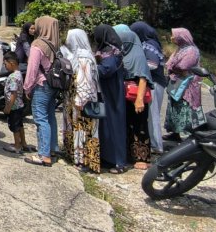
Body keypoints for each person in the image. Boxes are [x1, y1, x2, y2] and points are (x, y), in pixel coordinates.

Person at [61, 28, 101, 173]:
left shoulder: (84, 57)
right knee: (76, 129)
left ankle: (84, 160)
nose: (67, 41)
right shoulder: (74, 55)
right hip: (73, 99)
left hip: (82, 101)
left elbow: (86, 81)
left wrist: (81, 100)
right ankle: (75, 156)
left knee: (83, 130)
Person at [114, 24, 153, 170]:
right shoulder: (122, 53)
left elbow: (143, 78)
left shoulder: (137, 56)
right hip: (124, 96)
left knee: (139, 126)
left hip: (136, 96)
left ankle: (142, 157)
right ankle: (129, 154)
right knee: (127, 125)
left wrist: (139, 100)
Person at [23, 16, 61, 167]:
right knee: (50, 116)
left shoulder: (37, 44)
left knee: (40, 118)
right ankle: (52, 149)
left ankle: (43, 155)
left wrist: (27, 87)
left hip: (41, 84)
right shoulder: (54, 44)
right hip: (53, 85)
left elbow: (32, 69)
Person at [93, 25, 128, 174]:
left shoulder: (111, 51)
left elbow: (107, 69)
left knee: (114, 125)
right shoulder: (111, 49)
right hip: (108, 91)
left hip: (112, 92)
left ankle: (119, 162)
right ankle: (108, 158)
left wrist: (91, 67)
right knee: (106, 126)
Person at [130, 21, 167, 156]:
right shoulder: (148, 43)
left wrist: (137, 67)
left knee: (153, 114)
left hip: (154, 83)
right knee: (151, 115)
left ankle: (157, 145)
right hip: (154, 82)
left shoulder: (149, 45)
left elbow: (152, 64)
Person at [163, 28, 204, 139]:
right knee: (175, 107)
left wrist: (172, 66)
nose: (172, 38)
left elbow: (183, 66)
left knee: (185, 107)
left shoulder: (191, 50)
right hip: (177, 82)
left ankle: (189, 135)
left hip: (187, 85)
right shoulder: (180, 49)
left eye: (173, 35)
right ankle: (175, 133)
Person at [1, 51, 30, 154]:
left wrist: (8, 107)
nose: (5, 67)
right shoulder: (18, 74)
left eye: (5, 64)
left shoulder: (13, 77)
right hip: (19, 105)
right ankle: (23, 143)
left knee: (15, 127)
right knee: (20, 125)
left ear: (12, 63)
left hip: (14, 106)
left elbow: (13, 94)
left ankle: (17, 146)